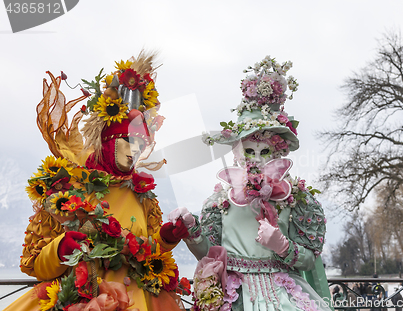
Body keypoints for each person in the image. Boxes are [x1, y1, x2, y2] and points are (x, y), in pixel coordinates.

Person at [5, 53, 188, 311]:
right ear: (108, 140)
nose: (134, 152)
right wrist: (60, 248)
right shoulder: (67, 189)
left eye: (140, 145)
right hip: (83, 299)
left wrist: (166, 238)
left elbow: (148, 255)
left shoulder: (142, 195)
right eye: (128, 141)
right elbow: (35, 265)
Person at [168, 56, 331, 310]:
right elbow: (210, 255)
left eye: (263, 151)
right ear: (236, 153)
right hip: (235, 297)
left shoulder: (294, 199)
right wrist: (193, 231)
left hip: (282, 296)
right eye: (249, 150)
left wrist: (283, 246)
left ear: (276, 153)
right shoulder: (220, 203)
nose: (255, 159)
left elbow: (310, 260)